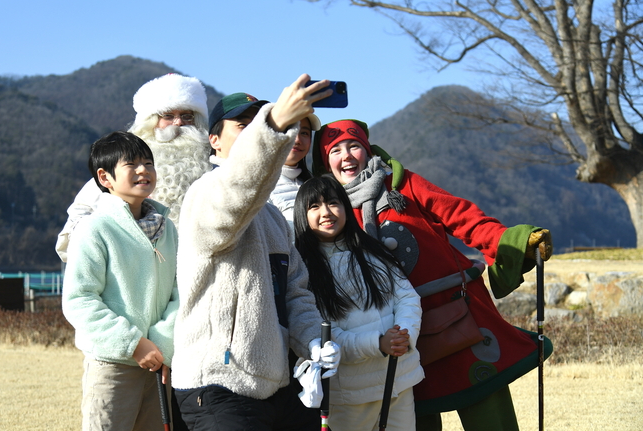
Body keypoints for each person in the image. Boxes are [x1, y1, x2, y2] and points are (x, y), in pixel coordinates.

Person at [311, 119, 554, 431]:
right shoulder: (331, 212)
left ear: (368, 150)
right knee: (414, 419)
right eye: (335, 150)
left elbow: (461, 216)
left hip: (456, 315)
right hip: (399, 337)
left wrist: (511, 240)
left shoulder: (403, 185)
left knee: (489, 412)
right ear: (326, 162)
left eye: (353, 146)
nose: (346, 155)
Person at [171, 75, 341, 431]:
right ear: (214, 140)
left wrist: (313, 340)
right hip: (218, 382)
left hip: (275, 383)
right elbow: (238, 189)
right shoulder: (205, 193)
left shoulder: (274, 216)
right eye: (242, 126)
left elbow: (295, 292)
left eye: (257, 125)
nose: (252, 133)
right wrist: (273, 125)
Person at [62, 131, 179, 430]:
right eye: (132, 164)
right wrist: (133, 344)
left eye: (148, 163)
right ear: (105, 177)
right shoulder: (93, 228)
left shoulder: (168, 229)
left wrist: (162, 344)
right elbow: (79, 300)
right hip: (111, 364)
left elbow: (180, 293)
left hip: (159, 364)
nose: (144, 170)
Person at [293, 175, 425, 431]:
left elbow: (407, 297)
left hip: (398, 380)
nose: (326, 212)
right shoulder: (303, 272)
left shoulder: (373, 250)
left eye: (333, 202)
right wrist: (378, 344)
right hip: (350, 396)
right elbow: (325, 336)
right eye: (314, 206)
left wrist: (404, 335)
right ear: (302, 216)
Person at [56, 73, 211, 261]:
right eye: (168, 116)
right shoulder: (120, 168)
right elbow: (79, 219)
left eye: (187, 116)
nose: (178, 123)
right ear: (150, 122)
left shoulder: (212, 165)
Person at [268, 112, 320, 241]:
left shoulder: (316, 185)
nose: (297, 140)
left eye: (304, 133)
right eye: (288, 130)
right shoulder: (259, 187)